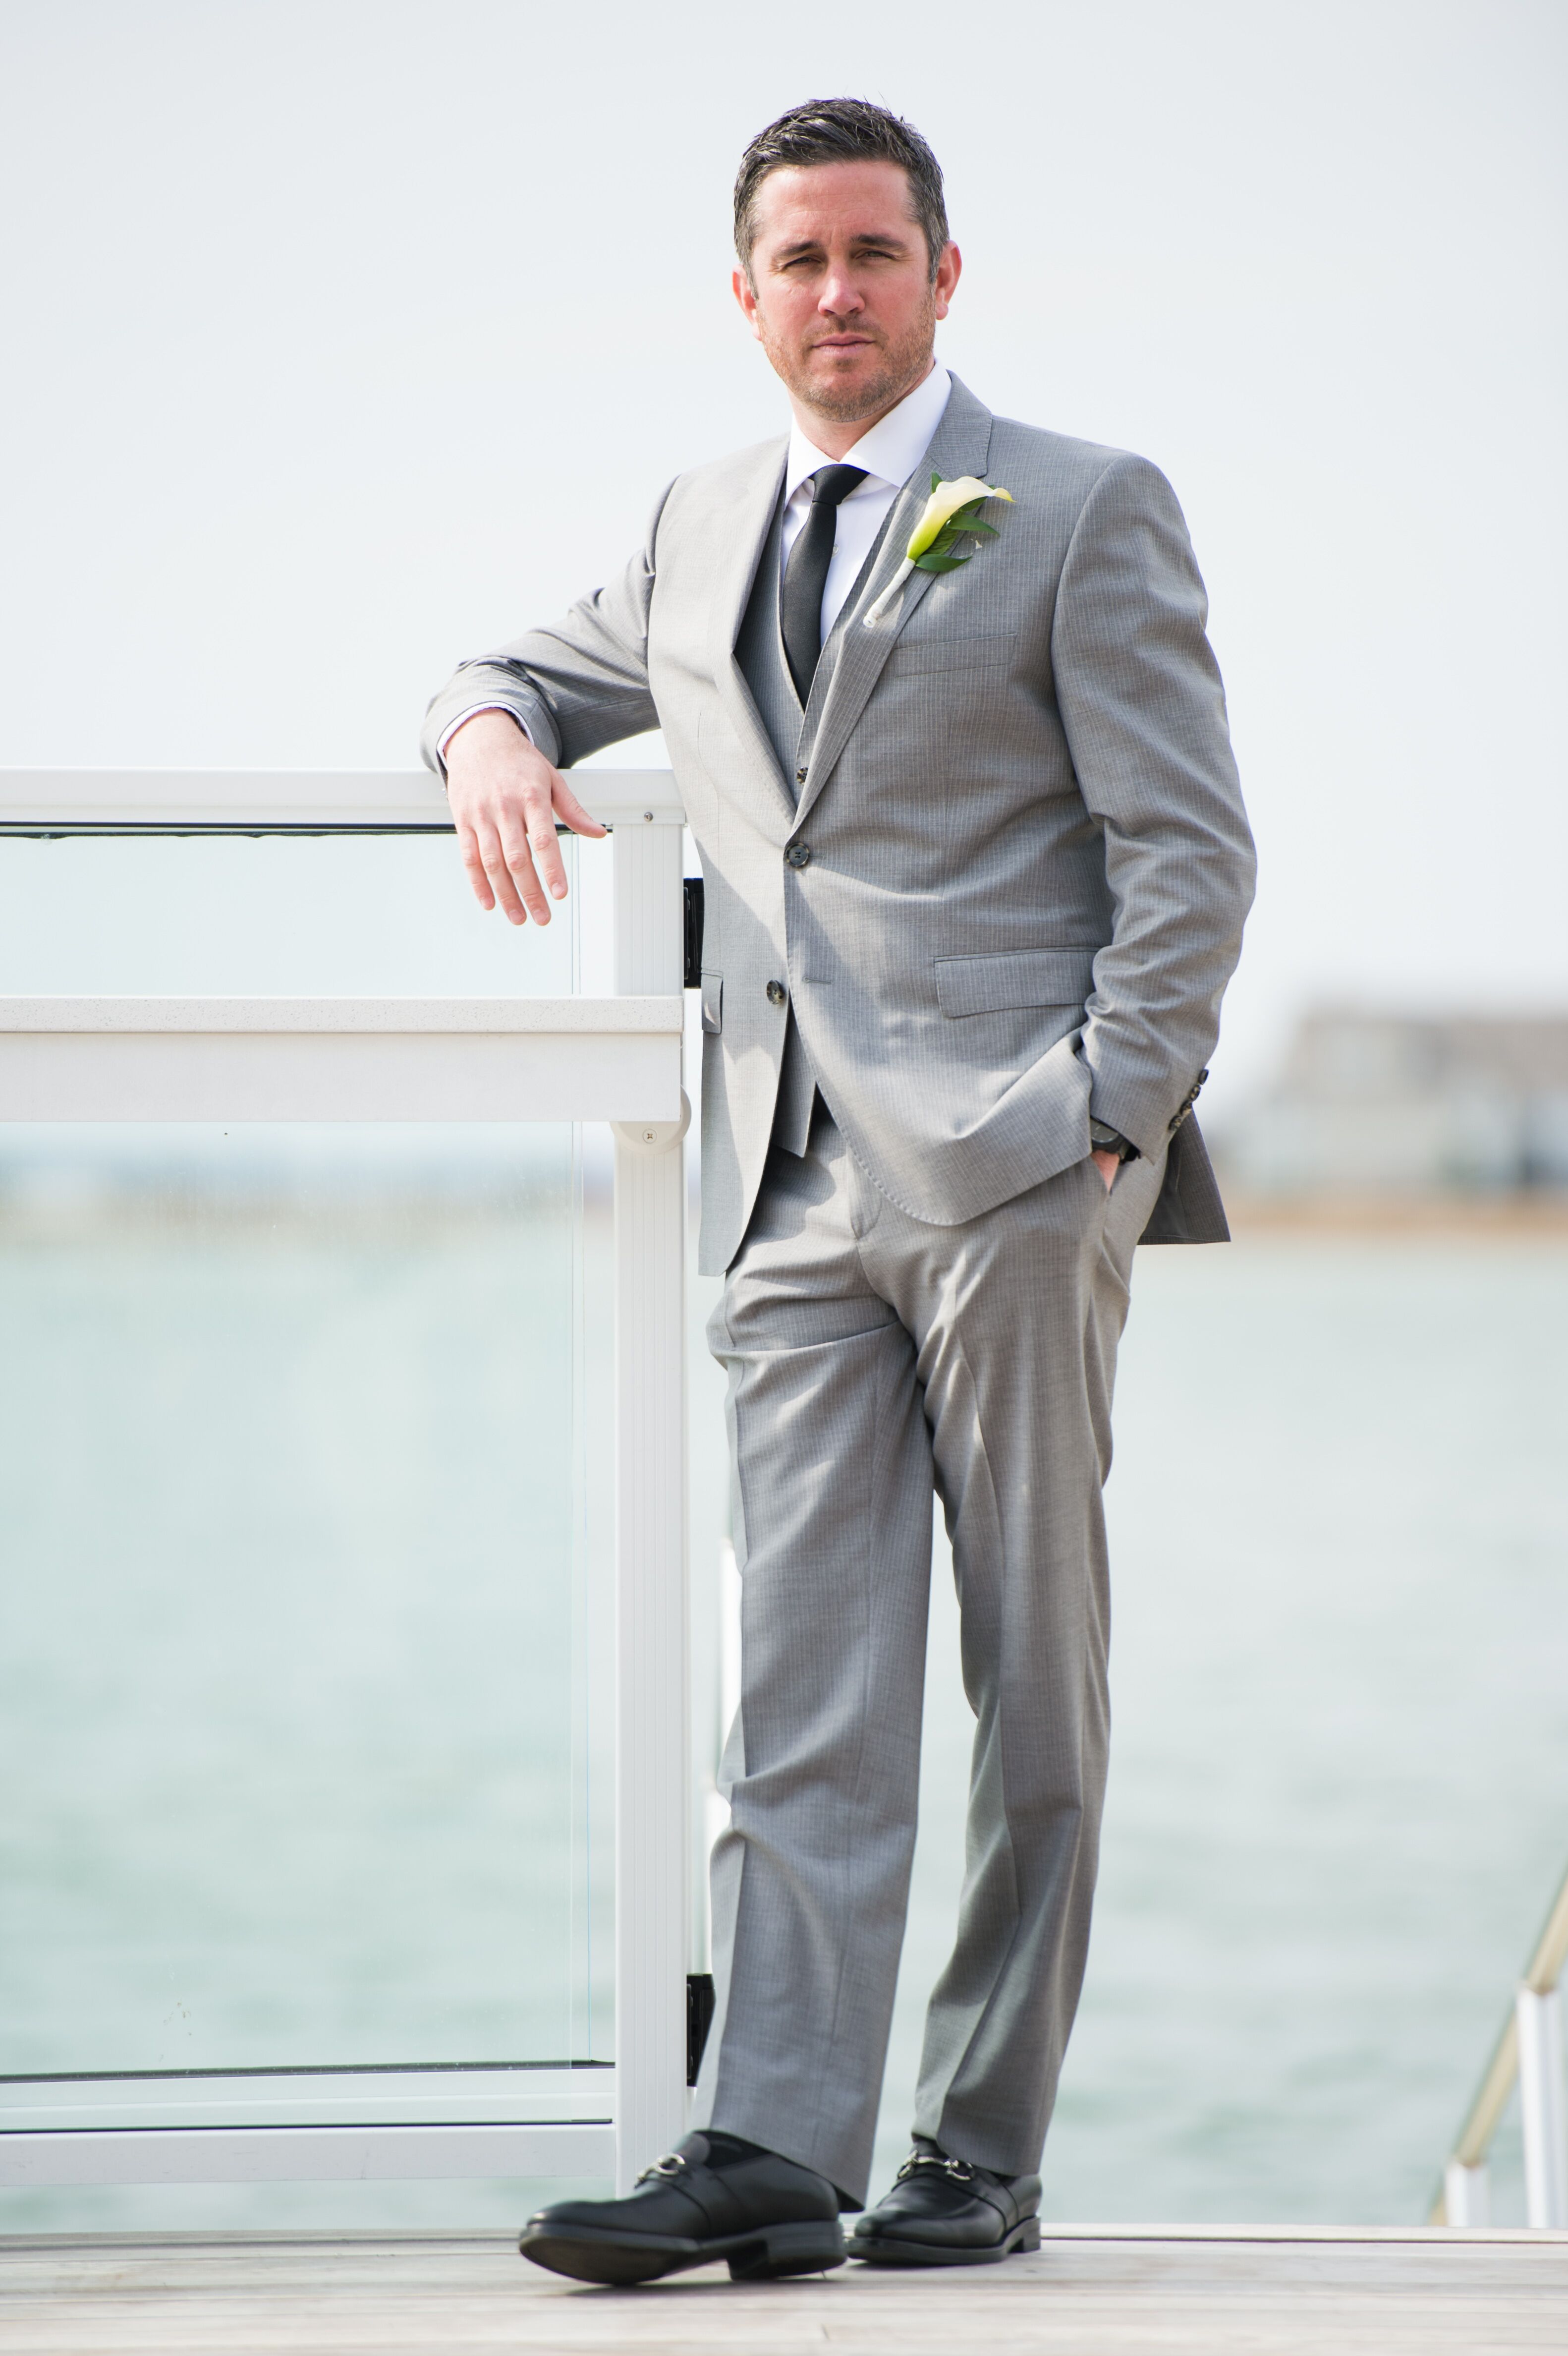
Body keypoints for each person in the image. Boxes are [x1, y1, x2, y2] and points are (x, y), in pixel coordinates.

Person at [422, 97, 1255, 2285]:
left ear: (942, 276)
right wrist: (486, 735)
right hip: (782, 1188)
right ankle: (774, 2144)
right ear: (744, 294)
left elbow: (1187, 848)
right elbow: (512, 665)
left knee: (1030, 1679)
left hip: (1013, 1172)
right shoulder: (699, 523)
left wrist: (1108, 1119)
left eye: (874, 253)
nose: (836, 292)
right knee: (797, 1685)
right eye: (796, 259)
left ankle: (973, 2147)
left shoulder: (1074, 507)